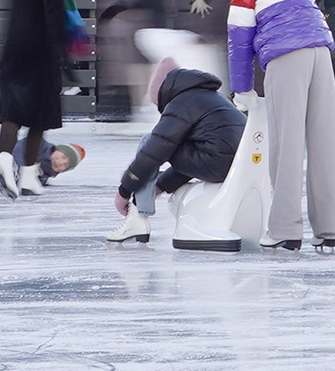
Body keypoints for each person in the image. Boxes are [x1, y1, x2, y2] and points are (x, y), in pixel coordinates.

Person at [228, 0, 335, 253]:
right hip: (320, 52)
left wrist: (242, 88)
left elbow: (239, 39)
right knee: (325, 141)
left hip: (285, 56)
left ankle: (284, 229)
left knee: (286, 141)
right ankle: (329, 228)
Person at [106, 59, 247, 245]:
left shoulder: (182, 102)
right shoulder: (214, 98)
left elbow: (153, 152)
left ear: (163, 93)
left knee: (150, 142)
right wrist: (161, 185)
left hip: (217, 163)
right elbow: (203, 153)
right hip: (241, 165)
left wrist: (124, 192)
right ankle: (139, 214)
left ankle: (138, 218)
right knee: (168, 145)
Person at [0, 0, 69, 198]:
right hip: (40, 50)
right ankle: (26, 173)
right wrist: (62, 52)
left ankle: (11, 165)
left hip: (14, 48)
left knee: (14, 111)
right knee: (40, 114)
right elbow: (54, 15)